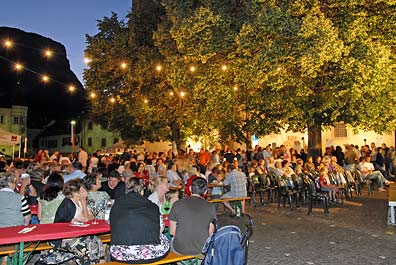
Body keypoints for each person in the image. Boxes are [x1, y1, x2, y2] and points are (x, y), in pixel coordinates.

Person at [109, 177, 170, 263]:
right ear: (142, 191)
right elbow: (161, 228)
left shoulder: (116, 205)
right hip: (150, 253)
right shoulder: (152, 206)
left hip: (120, 253)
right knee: (164, 239)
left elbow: (112, 224)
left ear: (127, 190)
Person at [51, 179, 104, 265]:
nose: (84, 191)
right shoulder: (68, 204)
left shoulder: (78, 202)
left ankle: (99, 262)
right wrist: (84, 201)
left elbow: (91, 216)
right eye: (82, 189)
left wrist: (83, 205)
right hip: (63, 237)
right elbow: (86, 219)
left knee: (96, 240)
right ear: (76, 192)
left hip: (76, 234)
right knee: (88, 248)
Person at [169, 178, 216, 256]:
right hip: (201, 249)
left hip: (180, 249)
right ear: (205, 192)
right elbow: (210, 232)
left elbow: (172, 232)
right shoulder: (210, 206)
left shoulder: (177, 204)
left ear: (190, 188)